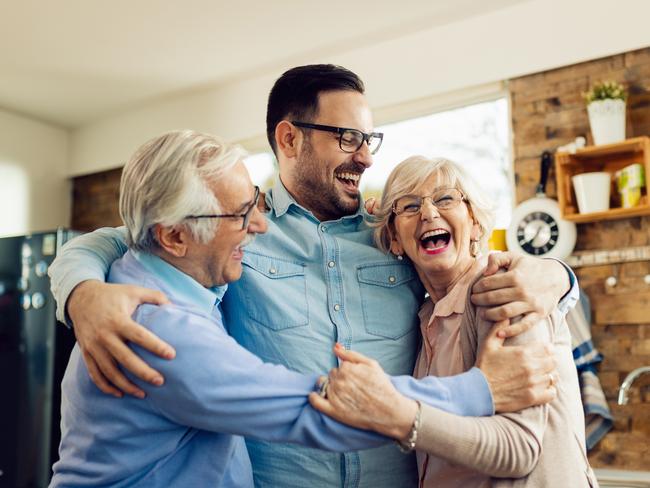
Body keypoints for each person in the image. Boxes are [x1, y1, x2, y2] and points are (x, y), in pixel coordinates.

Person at [49, 65, 577, 487]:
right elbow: (128, 238)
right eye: (349, 137)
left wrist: (556, 275)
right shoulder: (235, 232)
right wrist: (82, 292)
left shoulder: (391, 230)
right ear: (289, 138)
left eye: (371, 138)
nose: (367, 157)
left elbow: (466, 265)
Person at [52, 131, 476, 487]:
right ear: (176, 238)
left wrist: (542, 271)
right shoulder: (158, 326)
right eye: (240, 214)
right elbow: (318, 410)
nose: (258, 225)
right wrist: (485, 390)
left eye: (254, 200)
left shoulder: (176, 274)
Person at [311, 157, 597, 487]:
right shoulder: (423, 317)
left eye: (446, 198)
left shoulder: (502, 291)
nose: (429, 213)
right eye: (410, 206)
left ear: (475, 223)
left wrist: (403, 416)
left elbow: (519, 448)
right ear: (393, 238)